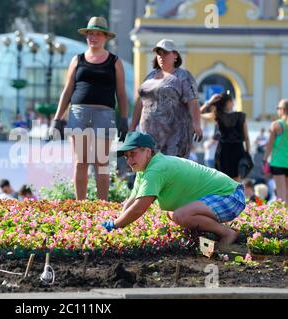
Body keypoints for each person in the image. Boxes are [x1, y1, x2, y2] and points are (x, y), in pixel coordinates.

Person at [101, 132, 246, 246]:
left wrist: (115, 225)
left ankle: (227, 234)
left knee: (180, 216)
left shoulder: (155, 170)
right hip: (223, 196)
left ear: (148, 151)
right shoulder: (144, 169)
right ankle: (210, 233)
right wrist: (117, 221)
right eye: (126, 156)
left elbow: (140, 207)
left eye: (133, 153)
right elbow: (132, 200)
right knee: (171, 213)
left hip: (230, 196)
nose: (129, 160)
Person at [50, 16, 128, 200]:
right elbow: (67, 90)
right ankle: (81, 205)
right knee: (81, 161)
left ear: (105, 37)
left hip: (105, 113)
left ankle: (101, 205)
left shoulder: (114, 61)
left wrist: (124, 119)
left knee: (101, 162)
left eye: (98, 34)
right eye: (90, 34)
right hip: (79, 113)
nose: (93, 37)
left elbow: (121, 93)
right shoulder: (77, 60)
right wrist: (57, 118)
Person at [129, 39, 203, 158]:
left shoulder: (183, 76)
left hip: (174, 137)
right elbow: (140, 102)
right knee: (150, 169)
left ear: (175, 55)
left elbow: (192, 101)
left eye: (166, 53)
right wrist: (132, 127)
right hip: (148, 136)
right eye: (159, 54)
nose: (161, 57)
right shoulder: (150, 76)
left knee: (171, 171)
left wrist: (196, 124)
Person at [201, 92, 251, 181]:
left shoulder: (217, 116)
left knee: (222, 180)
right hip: (238, 150)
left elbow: (199, 113)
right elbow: (246, 138)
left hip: (223, 151)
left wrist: (209, 102)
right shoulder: (241, 116)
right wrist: (247, 153)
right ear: (229, 102)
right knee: (236, 181)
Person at [263, 99, 288, 203]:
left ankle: (284, 218)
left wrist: (265, 159)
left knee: (281, 193)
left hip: (277, 163)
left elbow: (270, 145)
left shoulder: (276, 125)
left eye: (278, 108)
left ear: (282, 110)